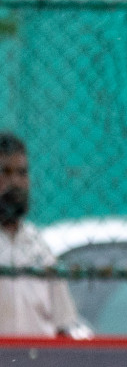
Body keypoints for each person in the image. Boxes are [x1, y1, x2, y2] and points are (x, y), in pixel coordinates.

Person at [0, 132, 83, 338]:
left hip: (38, 364)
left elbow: (63, 324)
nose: (16, 182)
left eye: (22, 173)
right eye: (6, 172)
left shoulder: (38, 246)